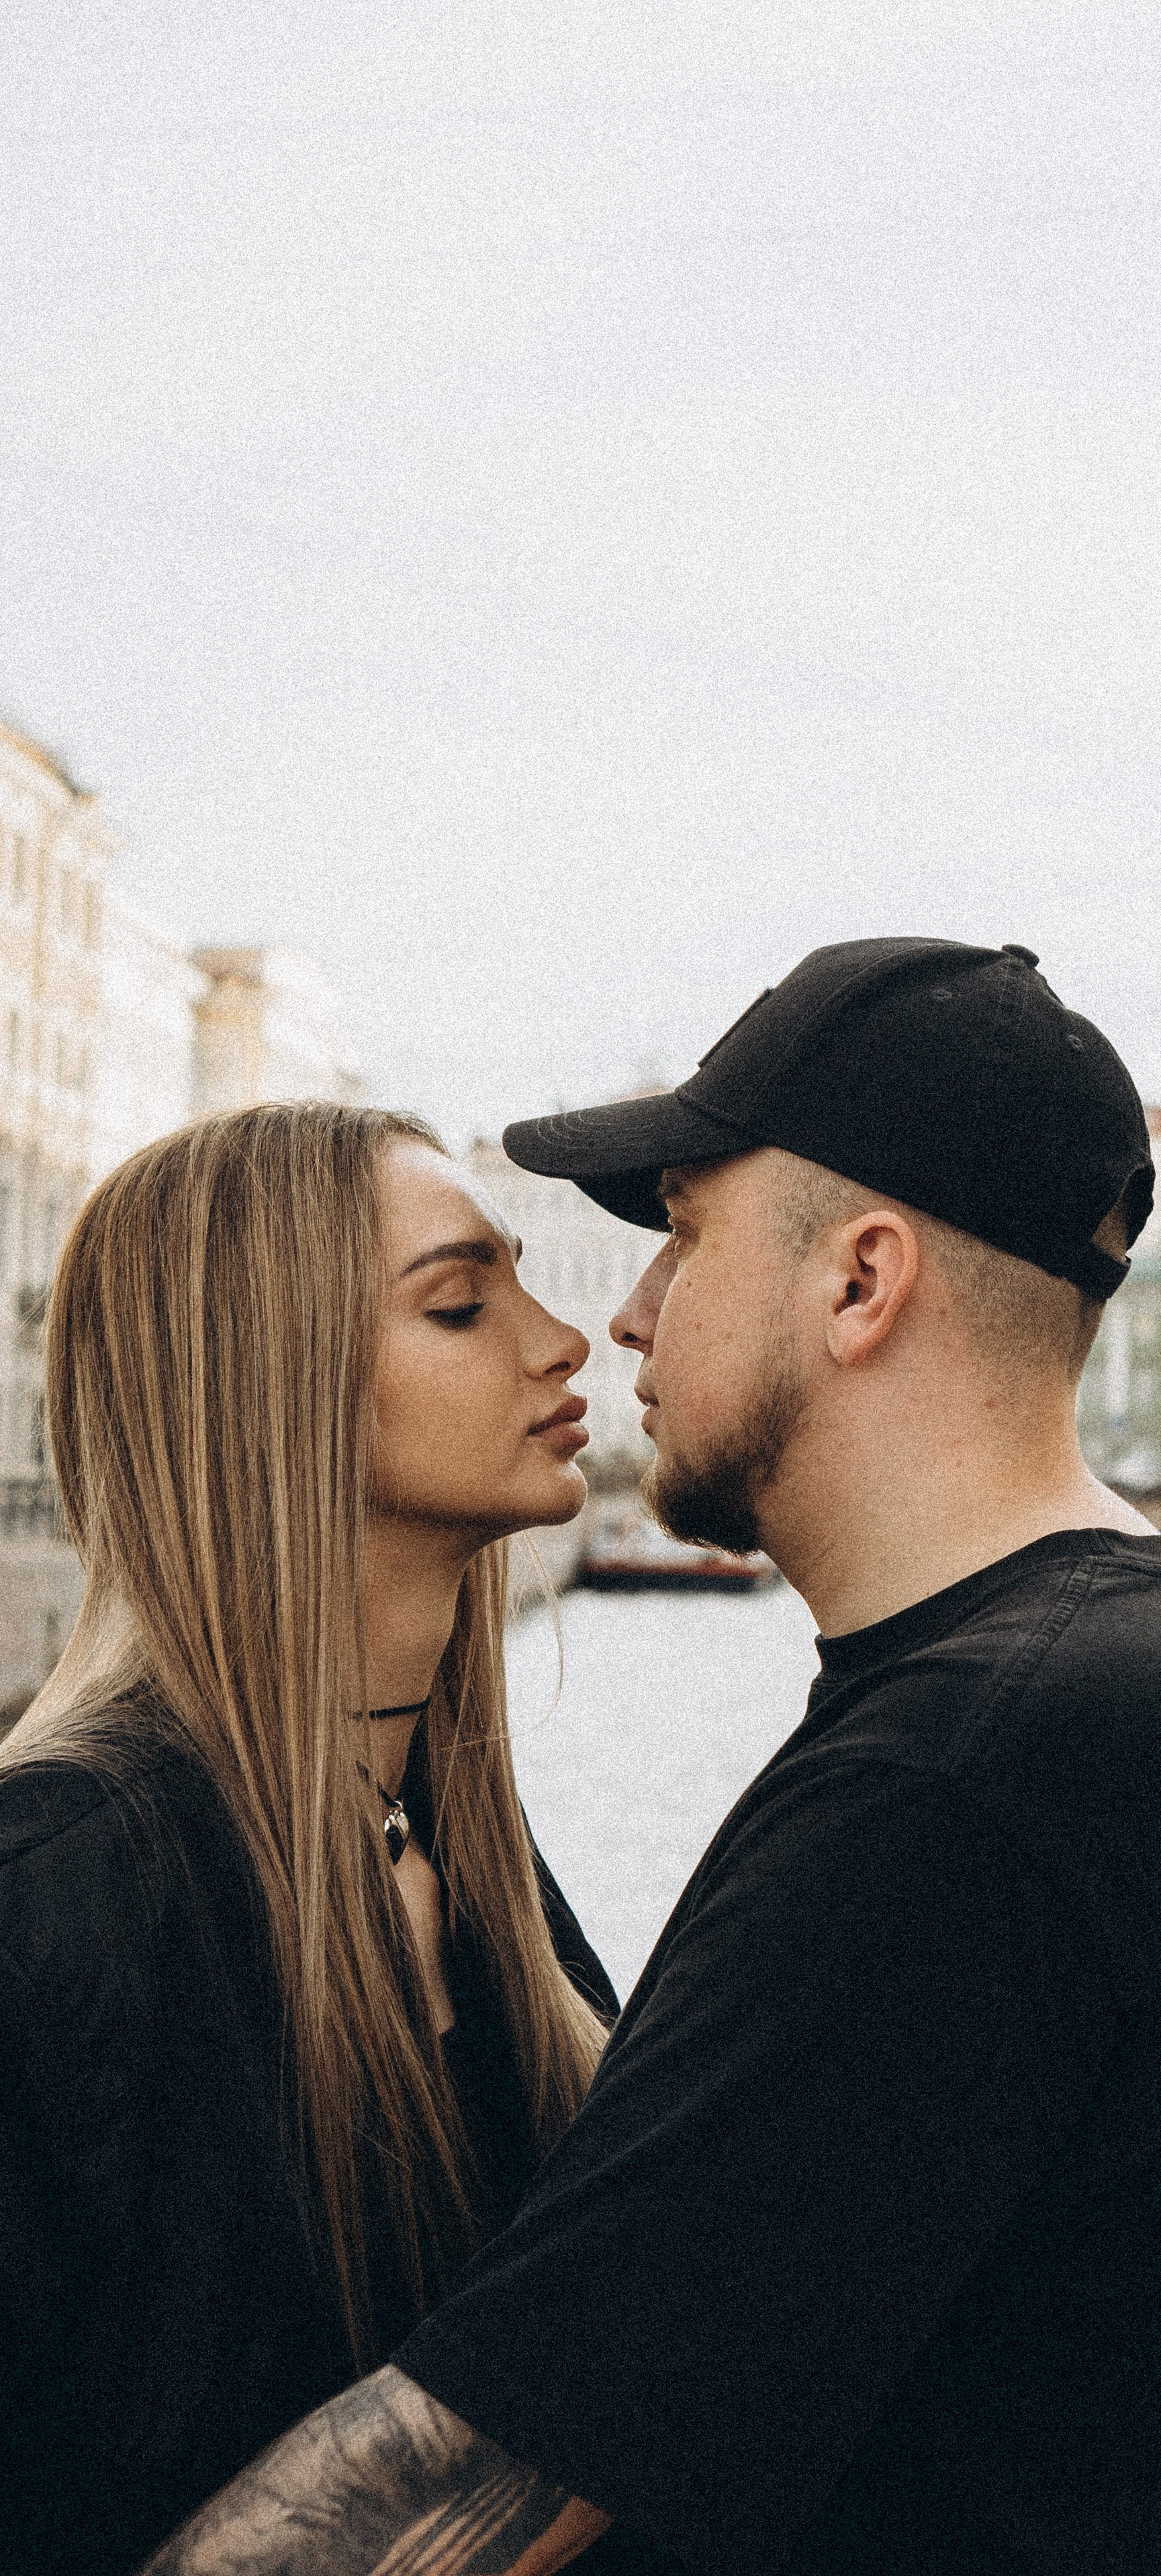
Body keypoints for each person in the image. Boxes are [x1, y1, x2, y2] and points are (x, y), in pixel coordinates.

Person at [142, 939, 1161, 2576]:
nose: (623, 1315)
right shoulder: (1120, 1655)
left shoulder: (963, 1782)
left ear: (859, 1282)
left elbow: (467, 2476)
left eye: (685, 1237)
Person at [0, 1102, 619, 2575]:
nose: (562, 1342)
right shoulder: (56, 1890)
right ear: (270, 1388)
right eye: (464, 1304)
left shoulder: (463, 1853)